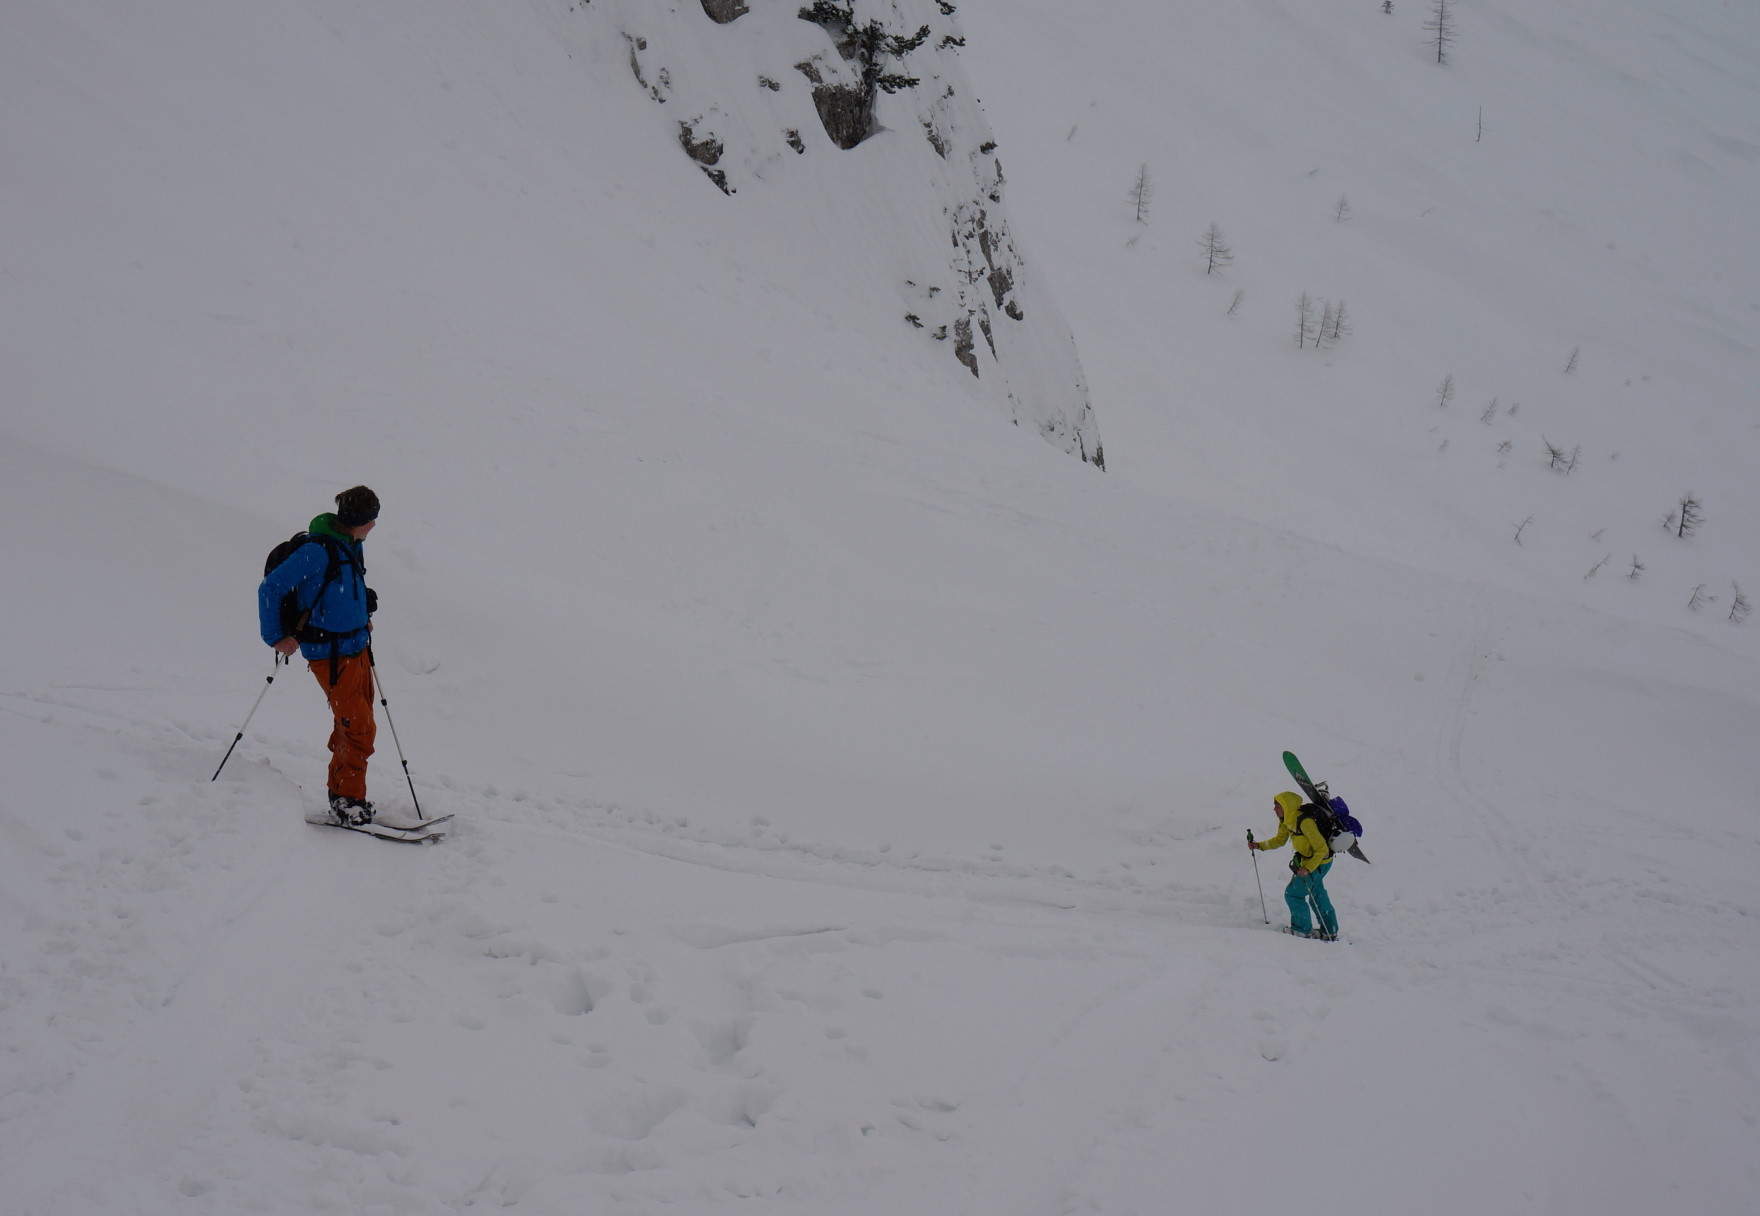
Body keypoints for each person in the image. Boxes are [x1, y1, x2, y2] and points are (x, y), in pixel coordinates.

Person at [258, 486, 381, 825]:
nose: (374, 525)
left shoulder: (351, 545)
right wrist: (277, 637)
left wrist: (363, 612)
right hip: (331, 654)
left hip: (357, 647)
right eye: (372, 519)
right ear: (360, 520)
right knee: (359, 729)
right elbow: (271, 588)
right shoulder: (317, 551)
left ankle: (341, 790)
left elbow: (338, 591)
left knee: (355, 724)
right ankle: (347, 801)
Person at [1249, 791, 1339, 938]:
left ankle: (1301, 930)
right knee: (1317, 894)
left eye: (1277, 806)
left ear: (1287, 806)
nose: (1274, 809)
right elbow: (1279, 840)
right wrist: (1259, 845)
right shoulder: (1287, 821)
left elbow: (1322, 849)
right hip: (1311, 862)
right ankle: (1330, 931)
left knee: (1293, 894)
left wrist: (1307, 869)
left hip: (1319, 863)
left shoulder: (1305, 822)